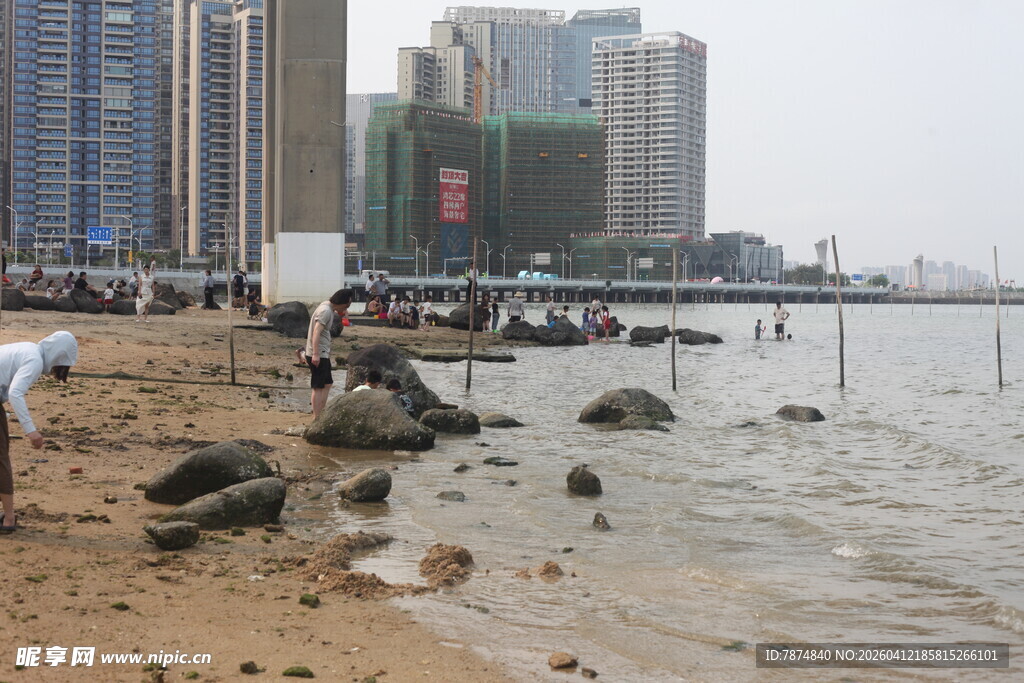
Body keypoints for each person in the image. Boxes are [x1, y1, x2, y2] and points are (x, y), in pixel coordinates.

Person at [1, 331, 78, 534]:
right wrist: (31, 431)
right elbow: (15, 393)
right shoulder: (34, 359)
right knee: (1, 461)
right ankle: (9, 519)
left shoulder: (28, 348)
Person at [297, 289, 352, 419]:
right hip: (318, 353)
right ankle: (317, 417)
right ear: (341, 302)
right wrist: (315, 354)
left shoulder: (328, 306)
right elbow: (316, 332)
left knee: (327, 384)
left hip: (322, 352)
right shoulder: (325, 311)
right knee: (318, 386)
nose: (346, 309)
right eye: (347, 305)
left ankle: (321, 412)